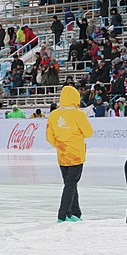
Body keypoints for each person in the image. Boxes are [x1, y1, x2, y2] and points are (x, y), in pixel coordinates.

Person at [46, 85, 94, 223]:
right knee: (71, 184)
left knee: (71, 184)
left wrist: (61, 145)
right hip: (76, 154)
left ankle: (75, 213)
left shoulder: (53, 115)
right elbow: (88, 133)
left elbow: (49, 136)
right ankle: (62, 215)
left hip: (62, 155)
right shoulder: (79, 114)